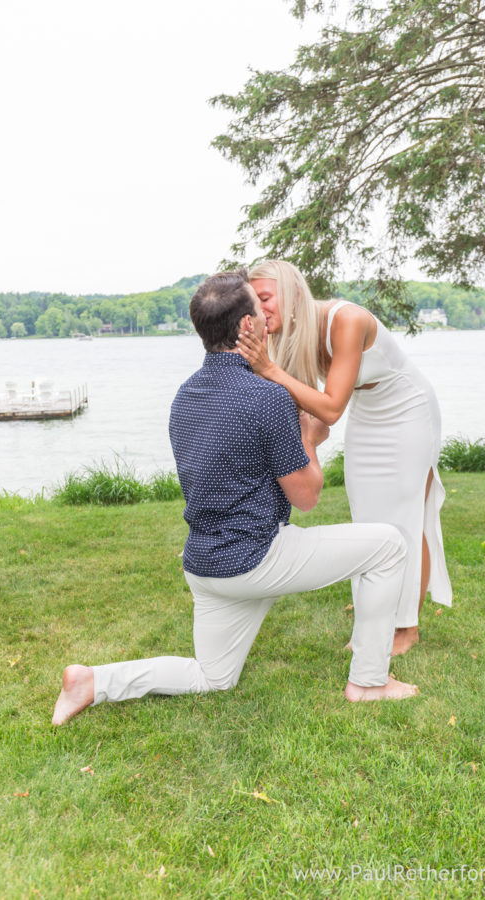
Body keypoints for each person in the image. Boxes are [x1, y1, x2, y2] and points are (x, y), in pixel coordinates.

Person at [52, 270, 417, 726]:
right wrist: (311, 437)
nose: (268, 314)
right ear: (249, 327)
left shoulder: (185, 395)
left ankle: (92, 681)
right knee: (388, 544)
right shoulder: (268, 397)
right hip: (255, 559)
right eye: (259, 308)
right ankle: (368, 681)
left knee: (213, 676)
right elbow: (306, 497)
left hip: (204, 565)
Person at [237, 260, 452, 656]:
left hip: (407, 410)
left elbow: (331, 409)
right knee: (368, 515)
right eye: (253, 302)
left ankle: (406, 626)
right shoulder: (290, 333)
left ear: (295, 293)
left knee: (407, 516)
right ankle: (379, 599)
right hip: (368, 411)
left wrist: (267, 367)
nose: (259, 309)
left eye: (265, 298)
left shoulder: (347, 320)